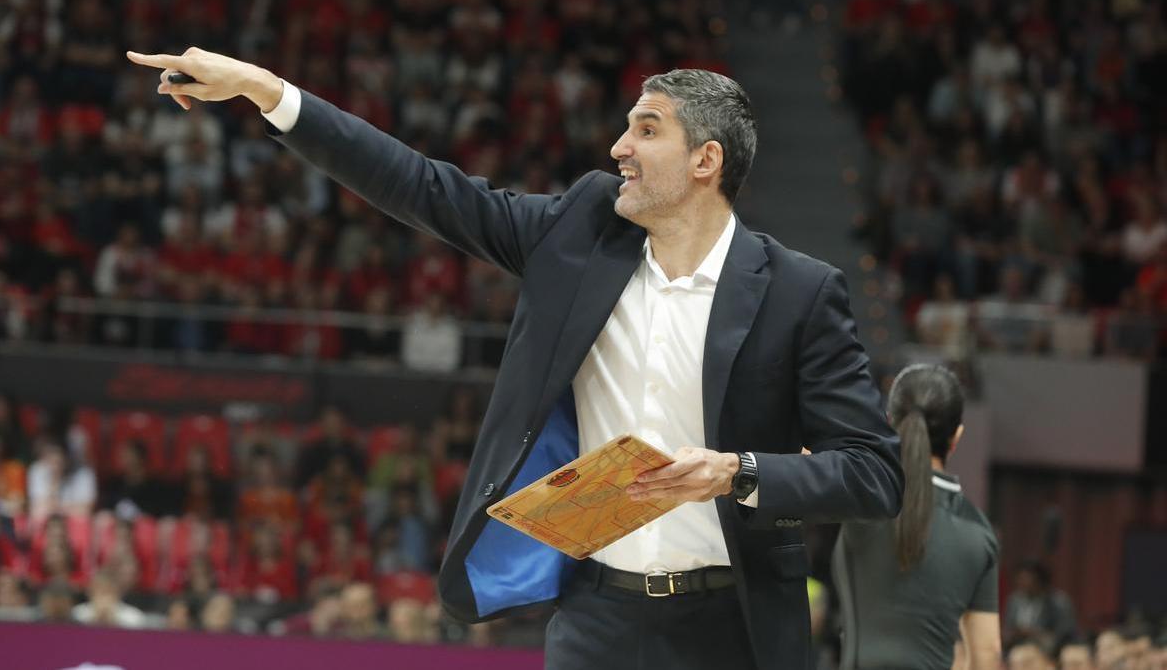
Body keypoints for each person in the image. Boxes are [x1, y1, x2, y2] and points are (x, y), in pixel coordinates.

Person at [127, 47, 903, 670]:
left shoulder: (801, 291)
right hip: (595, 614)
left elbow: (875, 472)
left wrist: (738, 470)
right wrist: (269, 92)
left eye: (646, 128)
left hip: (734, 624)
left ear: (706, 161)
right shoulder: (578, 234)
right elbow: (423, 187)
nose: (619, 146)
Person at [832, 365, 1001, 669]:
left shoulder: (861, 495)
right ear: (956, 437)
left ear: (889, 421)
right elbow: (987, 653)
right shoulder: (978, 531)